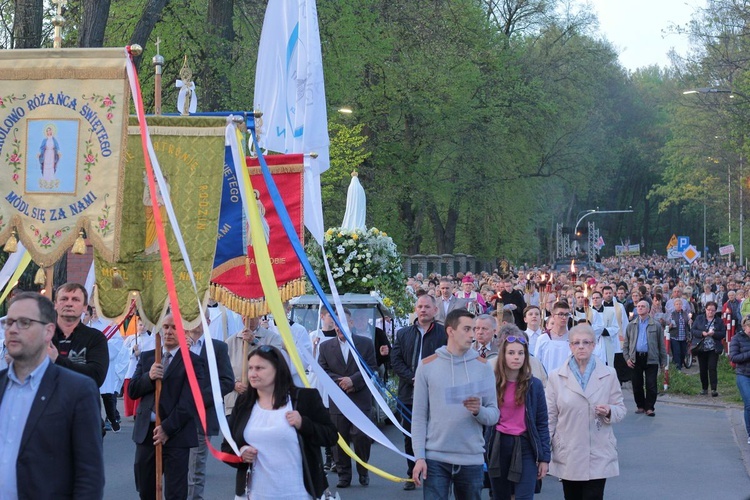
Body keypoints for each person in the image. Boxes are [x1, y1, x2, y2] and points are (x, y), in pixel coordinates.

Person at [0, 292, 104, 499]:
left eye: (24, 323)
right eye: (9, 322)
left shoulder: (77, 390)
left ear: (48, 332)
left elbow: (89, 475)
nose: (12, 330)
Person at [222, 345, 337, 499]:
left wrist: (304, 424)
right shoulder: (244, 403)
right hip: (253, 494)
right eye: (250, 368)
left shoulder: (304, 399)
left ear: (277, 370)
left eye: (259, 368)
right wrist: (241, 453)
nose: (253, 374)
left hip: (298, 493)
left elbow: (330, 436)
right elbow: (227, 446)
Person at [411, 309, 499, 499]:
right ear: (450, 331)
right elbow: (418, 416)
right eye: (467, 329)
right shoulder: (427, 366)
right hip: (435, 458)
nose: (472, 335)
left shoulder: (483, 367)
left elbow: (494, 414)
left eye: (473, 329)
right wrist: (419, 456)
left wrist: (479, 411)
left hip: (471, 458)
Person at [129, 313, 205, 500]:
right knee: (146, 490)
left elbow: (190, 401)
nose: (169, 332)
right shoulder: (148, 358)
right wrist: (149, 377)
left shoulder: (193, 362)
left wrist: (167, 428)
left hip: (176, 435)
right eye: (165, 327)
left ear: (184, 331)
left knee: (175, 493)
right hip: (147, 434)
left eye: (174, 327)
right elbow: (132, 390)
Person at [546, 325, 626, 500]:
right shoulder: (556, 377)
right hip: (568, 451)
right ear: (570, 346)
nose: (581, 346)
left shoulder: (609, 374)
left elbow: (621, 409)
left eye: (585, 342)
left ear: (594, 345)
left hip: (598, 451)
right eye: (576, 343)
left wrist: (609, 411)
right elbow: (550, 417)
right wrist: (545, 451)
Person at [390, 294, 447, 490]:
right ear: (416, 310)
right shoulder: (403, 333)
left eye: (427, 306)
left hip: (435, 393)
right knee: (410, 434)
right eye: (420, 306)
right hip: (409, 393)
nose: (423, 310)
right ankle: (411, 473)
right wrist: (413, 378)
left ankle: (433, 473)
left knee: (434, 434)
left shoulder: (444, 334)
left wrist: (430, 380)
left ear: (435, 310)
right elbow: (395, 360)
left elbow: (448, 360)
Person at [318, 308, 378, 488]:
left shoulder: (365, 343)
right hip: (338, 399)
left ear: (350, 323)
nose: (339, 327)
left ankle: (363, 470)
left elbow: (371, 368)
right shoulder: (325, 346)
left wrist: (353, 381)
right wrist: (340, 381)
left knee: (360, 437)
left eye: (343, 323)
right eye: (336, 324)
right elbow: (322, 369)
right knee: (340, 439)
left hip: (359, 397)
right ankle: (344, 476)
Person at [487, 332, 550, 500]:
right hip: (498, 444)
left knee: (524, 496)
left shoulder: (534, 385)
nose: (516, 357)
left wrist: (544, 458)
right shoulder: (491, 382)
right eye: (511, 353)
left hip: (525, 445)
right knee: (501, 496)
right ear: (503, 355)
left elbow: (542, 423)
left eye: (521, 353)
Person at [186, 318, 234, 500]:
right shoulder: (177, 345)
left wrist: (201, 398)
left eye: (198, 318)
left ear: (206, 320)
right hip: (175, 418)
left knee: (195, 469)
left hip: (201, 416)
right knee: (176, 469)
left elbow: (227, 381)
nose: (193, 322)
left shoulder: (218, 348)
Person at [49, 283, 109, 388]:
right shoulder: (42, 336)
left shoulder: (95, 338)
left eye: (75, 300)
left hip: (81, 402)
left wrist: (57, 360)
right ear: (55, 304)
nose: (69, 303)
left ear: (85, 307)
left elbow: (95, 377)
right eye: (64, 299)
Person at [623, 301, 667, 416]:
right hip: (635, 358)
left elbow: (661, 345)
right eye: (638, 306)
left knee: (651, 384)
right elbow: (626, 344)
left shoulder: (655, 325)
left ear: (648, 309)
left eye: (643, 306)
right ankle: (640, 406)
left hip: (651, 357)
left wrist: (663, 361)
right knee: (637, 384)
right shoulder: (631, 325)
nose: (640, 308)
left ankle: (649, 407)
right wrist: (627, 358)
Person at [690, 301, 726, 397]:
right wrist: (702, 333)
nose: (710, 312)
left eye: (713, 310)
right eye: (709, 310)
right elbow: (693, 330)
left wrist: (714, 334)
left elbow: (723, 333)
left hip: (713, 348)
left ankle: (714, 389)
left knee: (712, 368)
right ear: (705, 309)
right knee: (703, 368)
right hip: (701, 347)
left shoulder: (719, 321)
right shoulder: (699, 318)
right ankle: (704, 388)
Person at [123, 317, 155, 418]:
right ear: (137, 325)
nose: (142, 327)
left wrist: (141, 353)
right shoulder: (131, 338)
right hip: (132, 366)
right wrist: (132, 350)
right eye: (140, 325)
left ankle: (138, 411)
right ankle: (131, 411)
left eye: (144, 325)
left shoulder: (152, 340)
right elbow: (122, 353)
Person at [534, 302, 571, 375]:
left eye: (566, 314)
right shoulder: (543, 339)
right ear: (553, 316)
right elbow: (537, 364)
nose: (564, 317)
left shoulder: (573, 339)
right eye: (560, 314)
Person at [729, 317, 750, 445]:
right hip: (743, 374)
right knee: (749, 403)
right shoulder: (737, 338)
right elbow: (734, 357)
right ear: (745, 327)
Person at [669, 297, 691, 372]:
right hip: (675, 336)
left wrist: (690, 322)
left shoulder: (685, 313)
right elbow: (668, 324)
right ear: (674, 305)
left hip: (683, 336)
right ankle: (678, 369)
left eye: (680, 304)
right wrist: (670, 326)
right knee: (676, 352)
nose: (678, 305)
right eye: (677, 304)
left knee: (683, 353)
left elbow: (688, 324)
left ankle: (680, 364)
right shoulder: (672, 314)